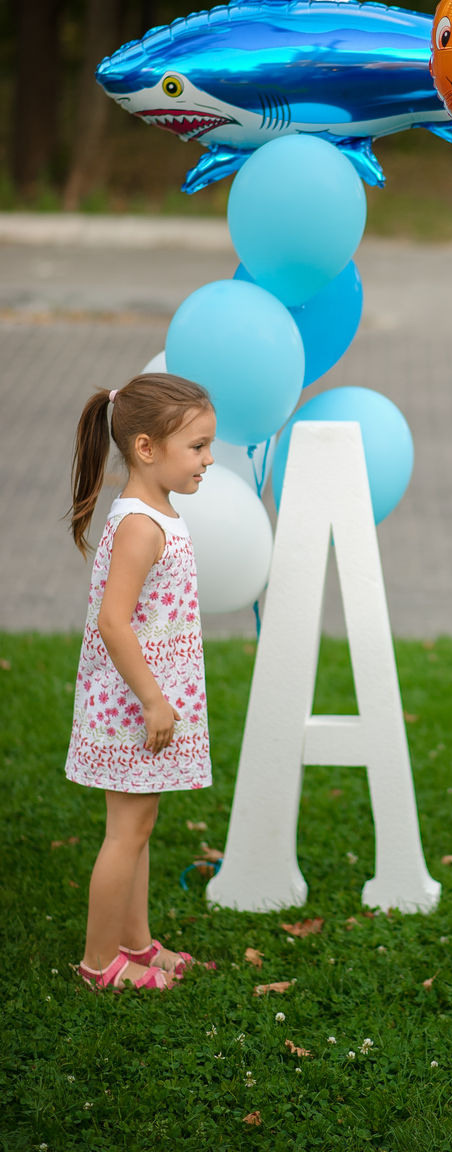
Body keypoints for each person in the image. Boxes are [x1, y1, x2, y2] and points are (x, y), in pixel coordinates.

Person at [65, 373, 216, 991]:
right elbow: (112, 620)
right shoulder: (139, 525)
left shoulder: (158, 514)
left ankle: (135, 942)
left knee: (140, 824)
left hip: (145, 701)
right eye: (198, 446)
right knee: (126, 831)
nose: (209, 460)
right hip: (132, 704)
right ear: (148, 448)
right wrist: (155, 699)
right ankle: (101, 963)